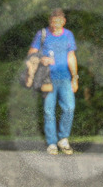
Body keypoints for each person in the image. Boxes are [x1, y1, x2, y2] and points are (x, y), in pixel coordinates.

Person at [27, 8, 79, 154]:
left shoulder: (68, 35)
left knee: (69, 107)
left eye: (57, 22)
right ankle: (51, 143)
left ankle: (63, 139)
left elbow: (71, 56)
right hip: (47, 79)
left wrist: (75, 77)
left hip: (65, 78)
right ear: (49, 21)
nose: (54, 25)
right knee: (49, 110)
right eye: (52, 21)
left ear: (63, 21)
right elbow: (31, 53)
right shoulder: (42, 34)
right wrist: (40, 58)